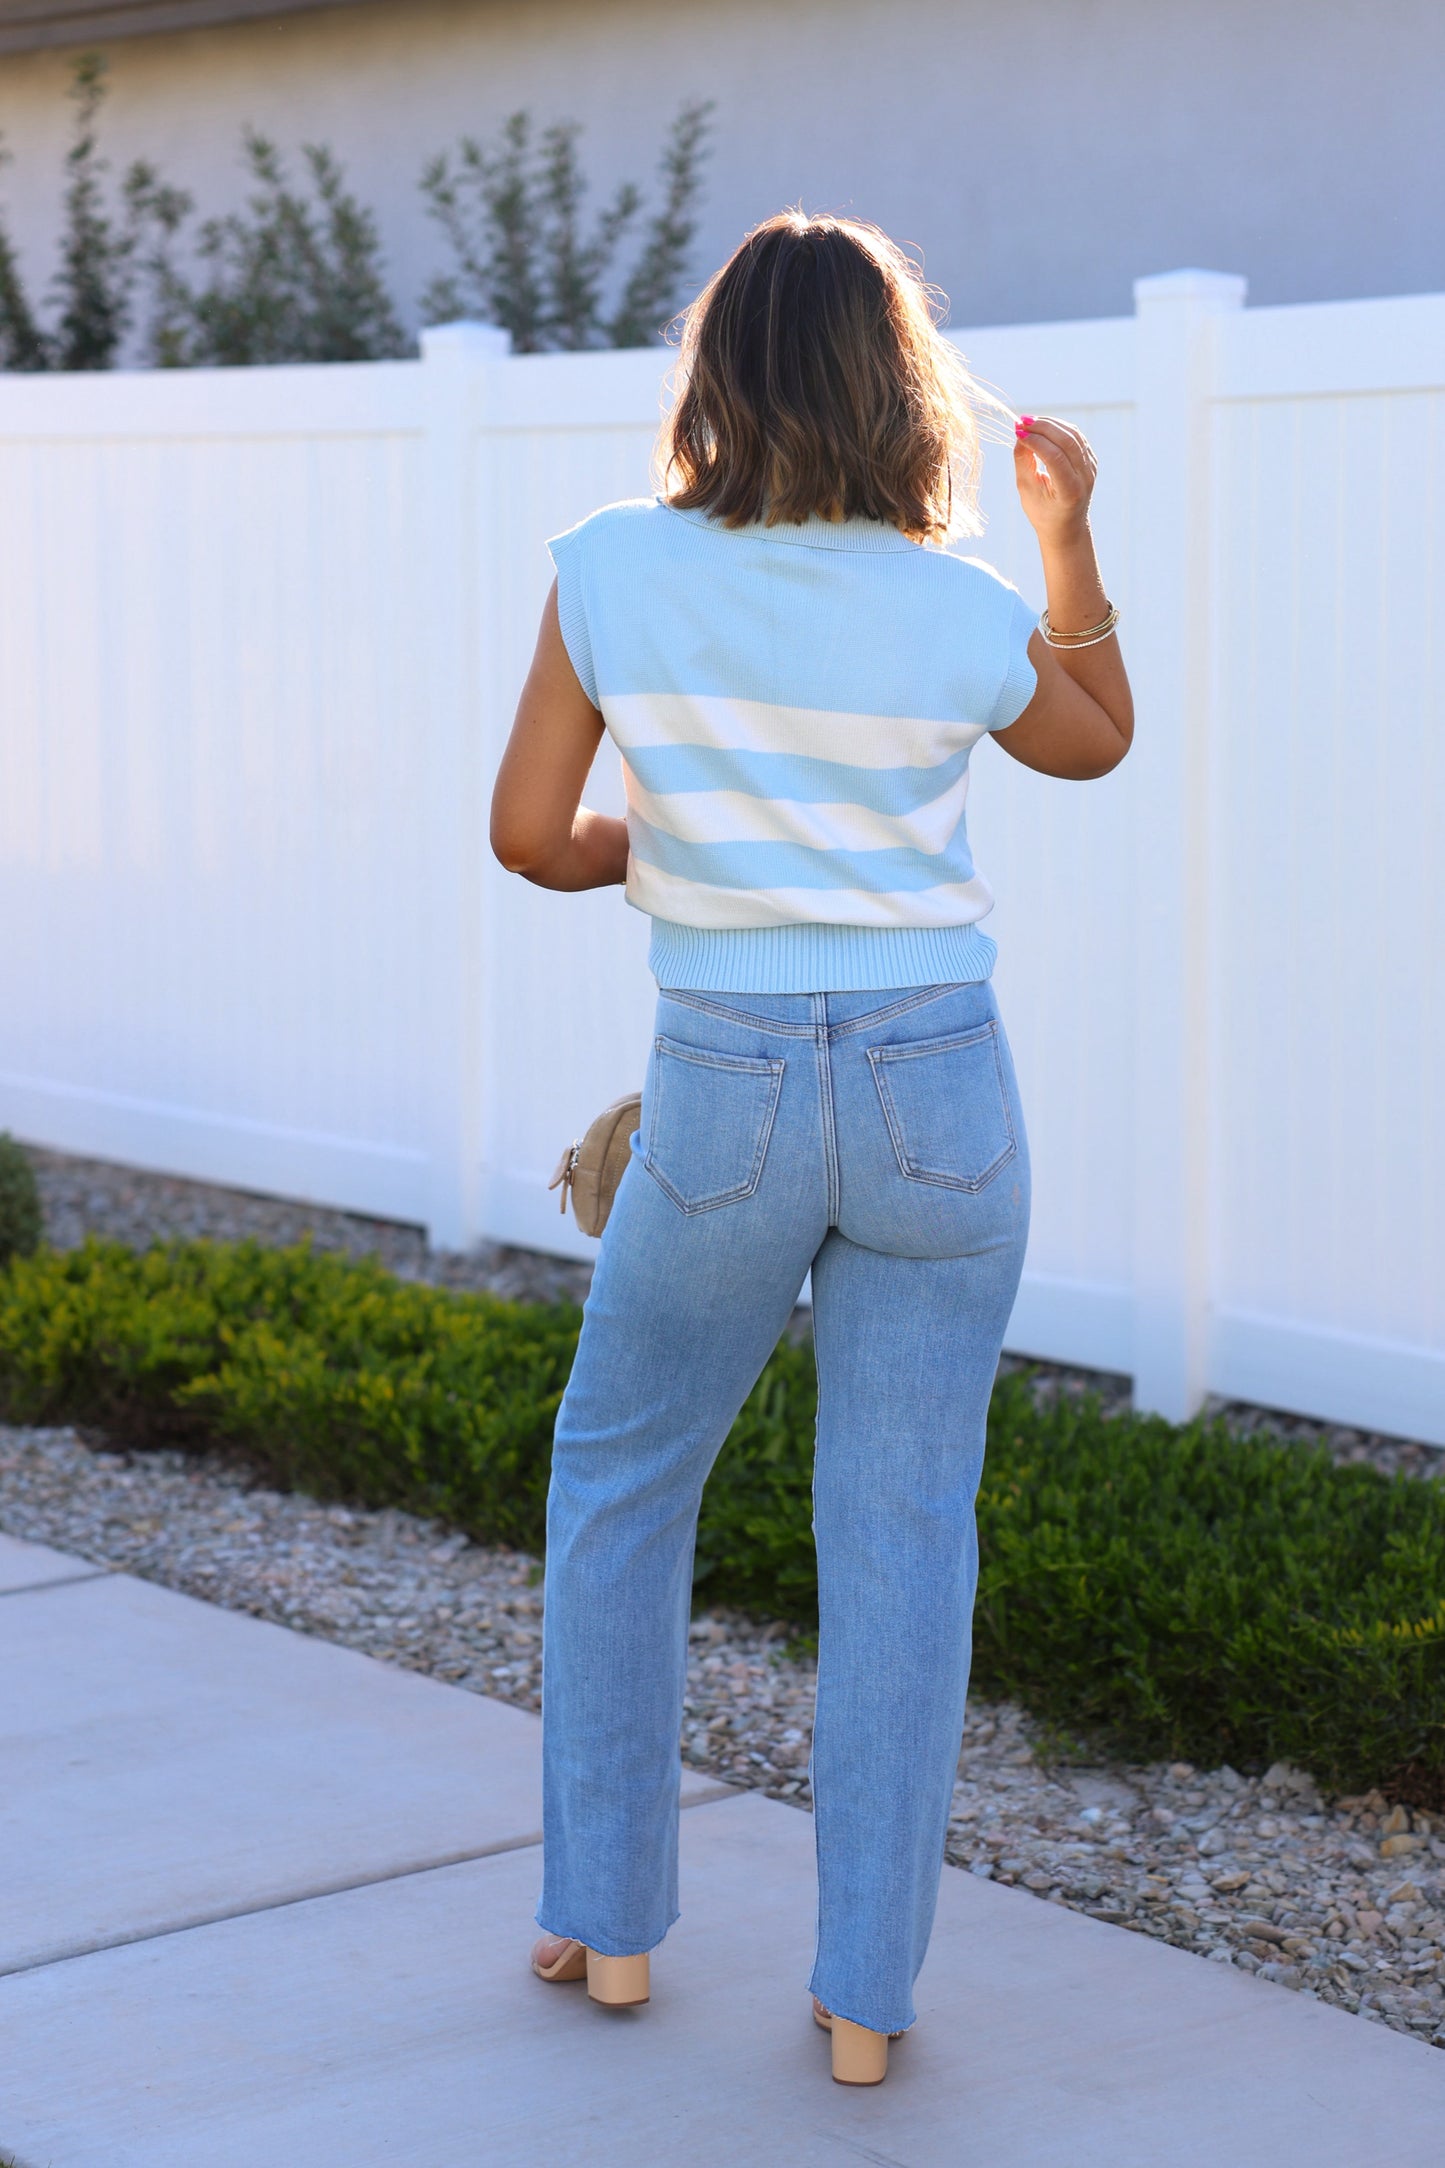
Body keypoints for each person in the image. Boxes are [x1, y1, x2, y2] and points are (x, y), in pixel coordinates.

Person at [489, 209, 1133, 2087]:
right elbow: (1092, 744)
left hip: (727, 1086)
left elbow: (533, 835)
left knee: (621, 1476)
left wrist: (652, 853)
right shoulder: (950, 599)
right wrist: (1067, 541)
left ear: (719, 377)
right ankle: (864, 2002)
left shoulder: (611, 567)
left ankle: (607, 1927)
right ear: (893, 384)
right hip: (942, 1084)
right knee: (905, 1532)